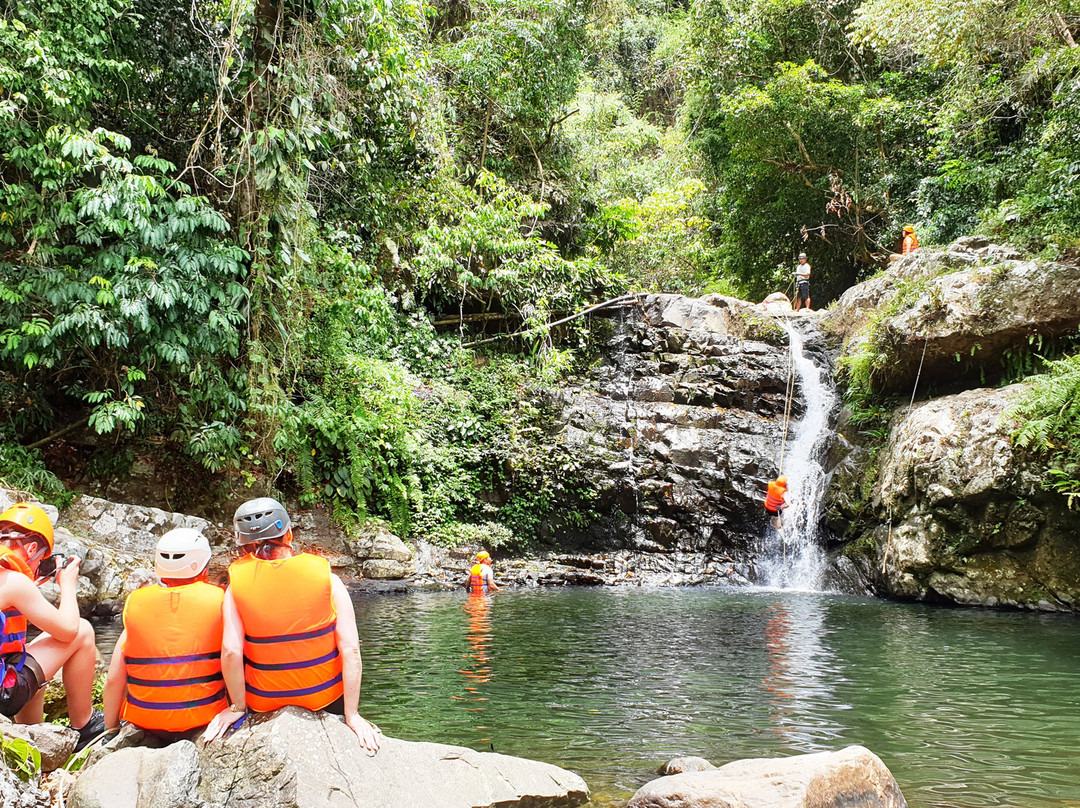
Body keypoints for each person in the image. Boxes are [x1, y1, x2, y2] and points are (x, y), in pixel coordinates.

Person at [201, 498, 380, 751]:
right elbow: (350, 650)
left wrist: (236, 708)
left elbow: (231, 651)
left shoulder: (235, 587)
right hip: (325, 699)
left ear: (241, 543)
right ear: (289, 533)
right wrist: (352, 716)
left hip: (264, 700)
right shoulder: (329, 580)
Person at [103, 528, 228, 741]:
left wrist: (112, 730)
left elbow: (114, 679)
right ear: (203, 568)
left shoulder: (136, 602)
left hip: (147, 721)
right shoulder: (220, 599)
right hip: (206, 717)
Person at [0, 503, 103, 750]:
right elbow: (68, 629)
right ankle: (84, 725)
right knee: (84, 630)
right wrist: (68, 585)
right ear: (32, 548)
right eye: (40, 560)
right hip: (2, 695)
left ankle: (33, 736)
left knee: (29, 652)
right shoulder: (13, 581)